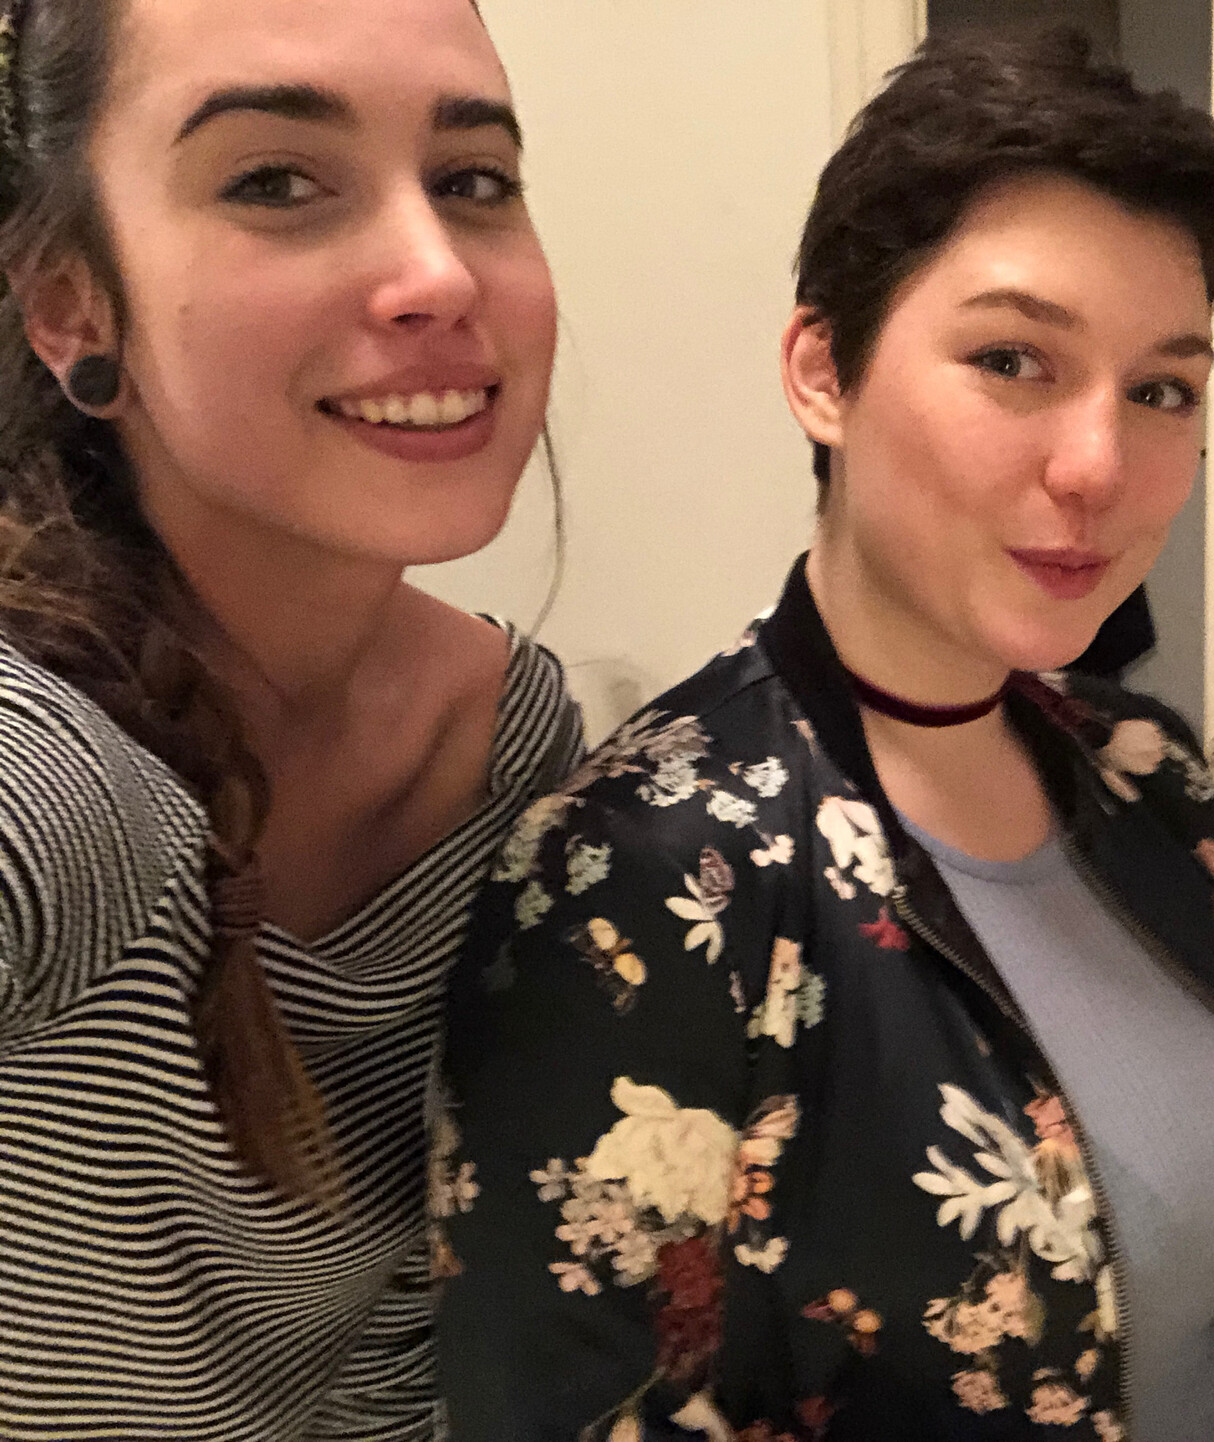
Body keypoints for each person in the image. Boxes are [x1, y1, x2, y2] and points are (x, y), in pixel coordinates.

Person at [436, 32, 1214, 1442]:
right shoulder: (646, 877)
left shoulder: (1148, 777)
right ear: (822, 371)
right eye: (1014, 360)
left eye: (1161, 388)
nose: (1099, 465)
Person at [0, 0, 579, 1434]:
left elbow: (398, 1343)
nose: (438, 272)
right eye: (275, 181)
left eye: (474, 179)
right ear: (71, 304)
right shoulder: (38, 772)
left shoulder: (507, 752)